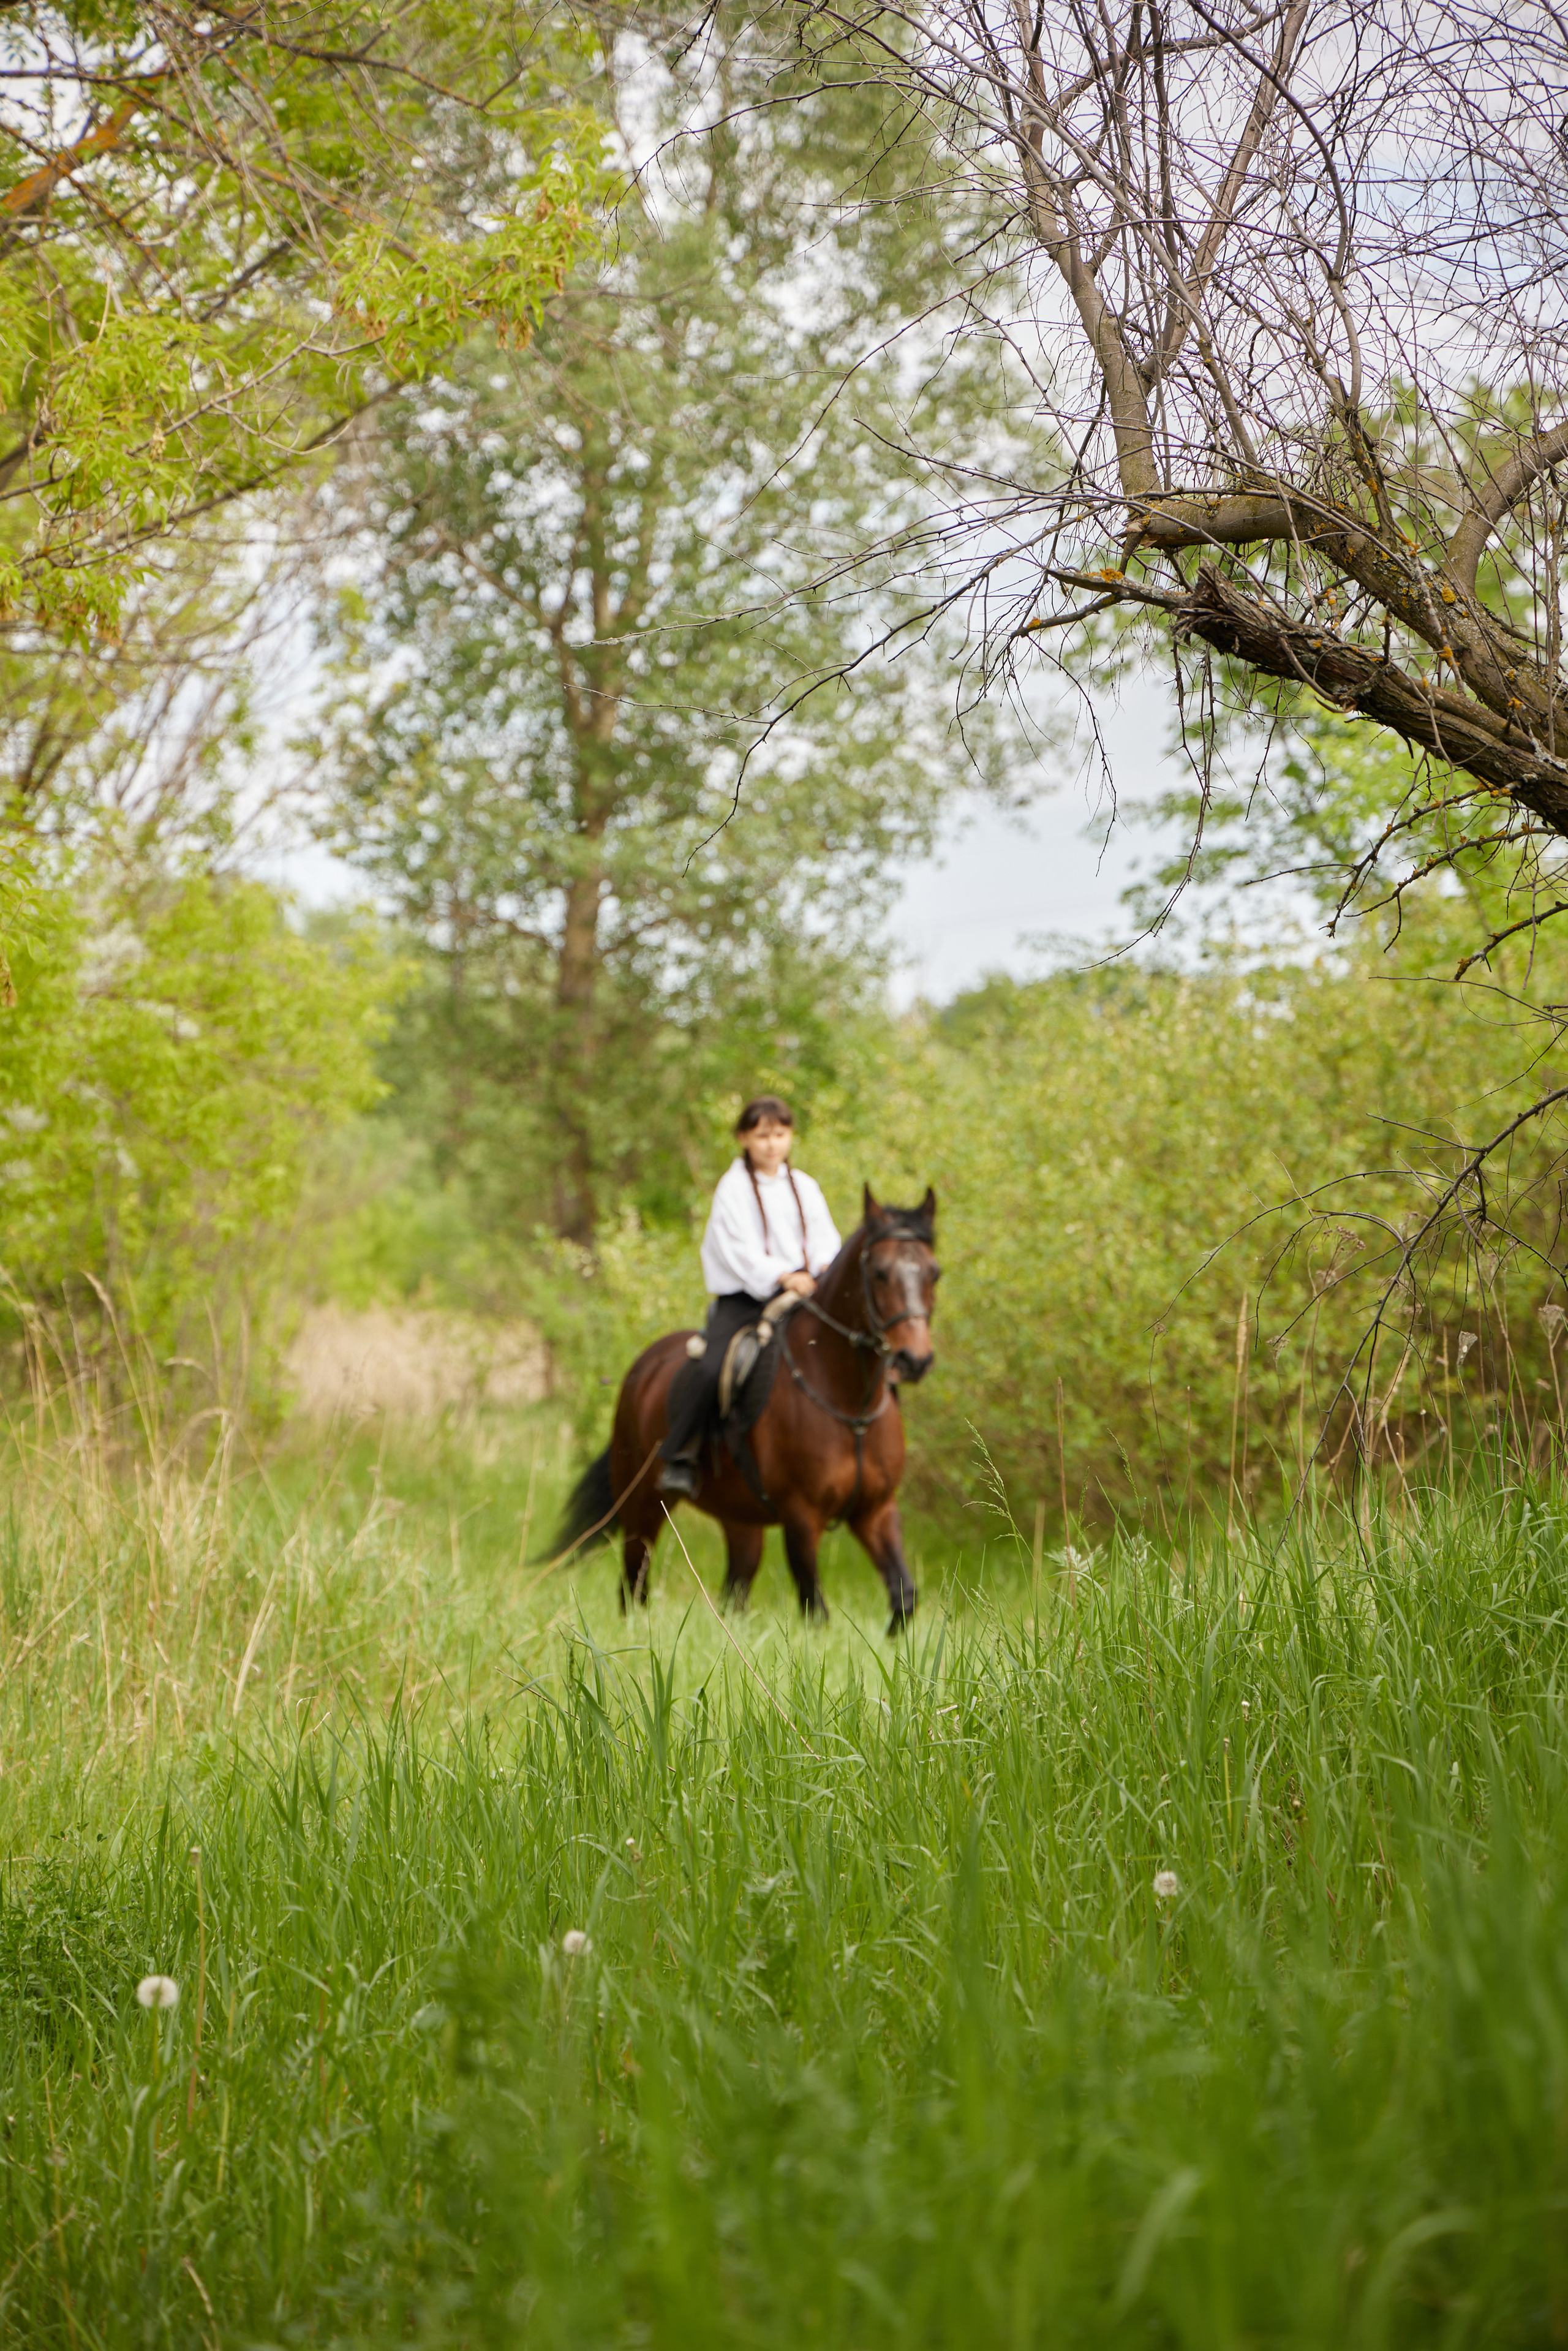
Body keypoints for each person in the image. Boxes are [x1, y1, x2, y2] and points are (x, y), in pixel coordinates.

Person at [658, 1094, 841, 1497]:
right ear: (743, 1138)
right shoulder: (733, 1188)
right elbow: (736, 1250)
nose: (772, 1144)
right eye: (762, 1136)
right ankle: (682, 1455)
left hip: (805, 1293)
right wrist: (783, 1275)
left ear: (791, 1136)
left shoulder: (805, 1186)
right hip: (747, 1299)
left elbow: (826, 1238)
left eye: (780, 1134)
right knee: (713, 1367)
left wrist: (822, 1269)